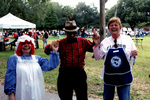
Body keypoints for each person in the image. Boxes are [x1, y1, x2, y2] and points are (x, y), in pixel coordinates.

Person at [44, 20, 99, 100]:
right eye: (70, 33)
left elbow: (93, 48)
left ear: (76, 31)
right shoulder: (61, 43)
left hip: (79, 73)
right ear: (66, 33)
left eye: (74, 32)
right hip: (65, 74)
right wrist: (50, 46)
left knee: (82, 97)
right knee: (65, 97)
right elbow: (46, 51)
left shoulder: (83, 41)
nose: (72, 35)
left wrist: (96, 42)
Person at [93, 17, 138, 100]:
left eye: (116, 25)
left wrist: (133, 54)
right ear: (108, 28)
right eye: (111, 25)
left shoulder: (128, 39)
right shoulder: (105, 41)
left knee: (124, 98)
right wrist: (96, 45)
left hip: (124, 75)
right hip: (109, 75)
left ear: (120, 27)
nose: (113, 27)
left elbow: (134, 56)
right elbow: (97, 57)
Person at [4, 35, 60, 100]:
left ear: (32, 45)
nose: (26, 45)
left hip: (35, 93)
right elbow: (10, 77)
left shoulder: (37, 59)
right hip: (20, 93)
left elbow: (50, 65)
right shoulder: (14, 59)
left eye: (28, 43)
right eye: (23, 43)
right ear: (19, 46)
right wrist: (11, 94)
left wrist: (54, 51)